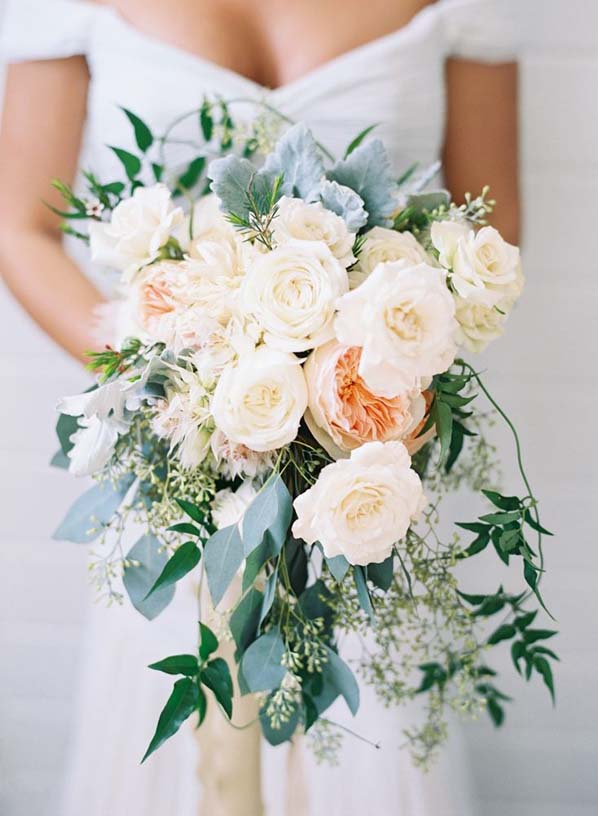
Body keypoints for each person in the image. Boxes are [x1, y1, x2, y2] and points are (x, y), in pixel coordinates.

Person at [0, 1, 520, 814]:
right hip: (172, 472)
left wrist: (357, 389)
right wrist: (177, 387)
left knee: (367, 739)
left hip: (362, 484)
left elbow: (493, 235)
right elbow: (17, 223)